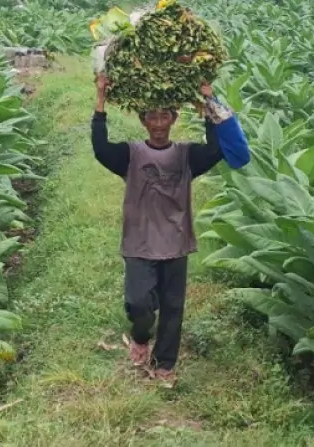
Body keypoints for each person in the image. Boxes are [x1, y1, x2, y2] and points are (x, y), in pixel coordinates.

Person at [91, 73, 250, 387]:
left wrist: (208, 100)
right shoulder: (130, 155)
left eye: (165, 116)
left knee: (173, 307)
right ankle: (140, 336)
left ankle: (165, 364)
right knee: (139, 304)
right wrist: (100, 98)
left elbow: (218, 147)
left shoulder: (188, 156)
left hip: (176, 242)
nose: (159, 123)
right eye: (153, 116)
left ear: (175, 119)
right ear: (143, 120)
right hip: (139, 241)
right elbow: (99, 148)